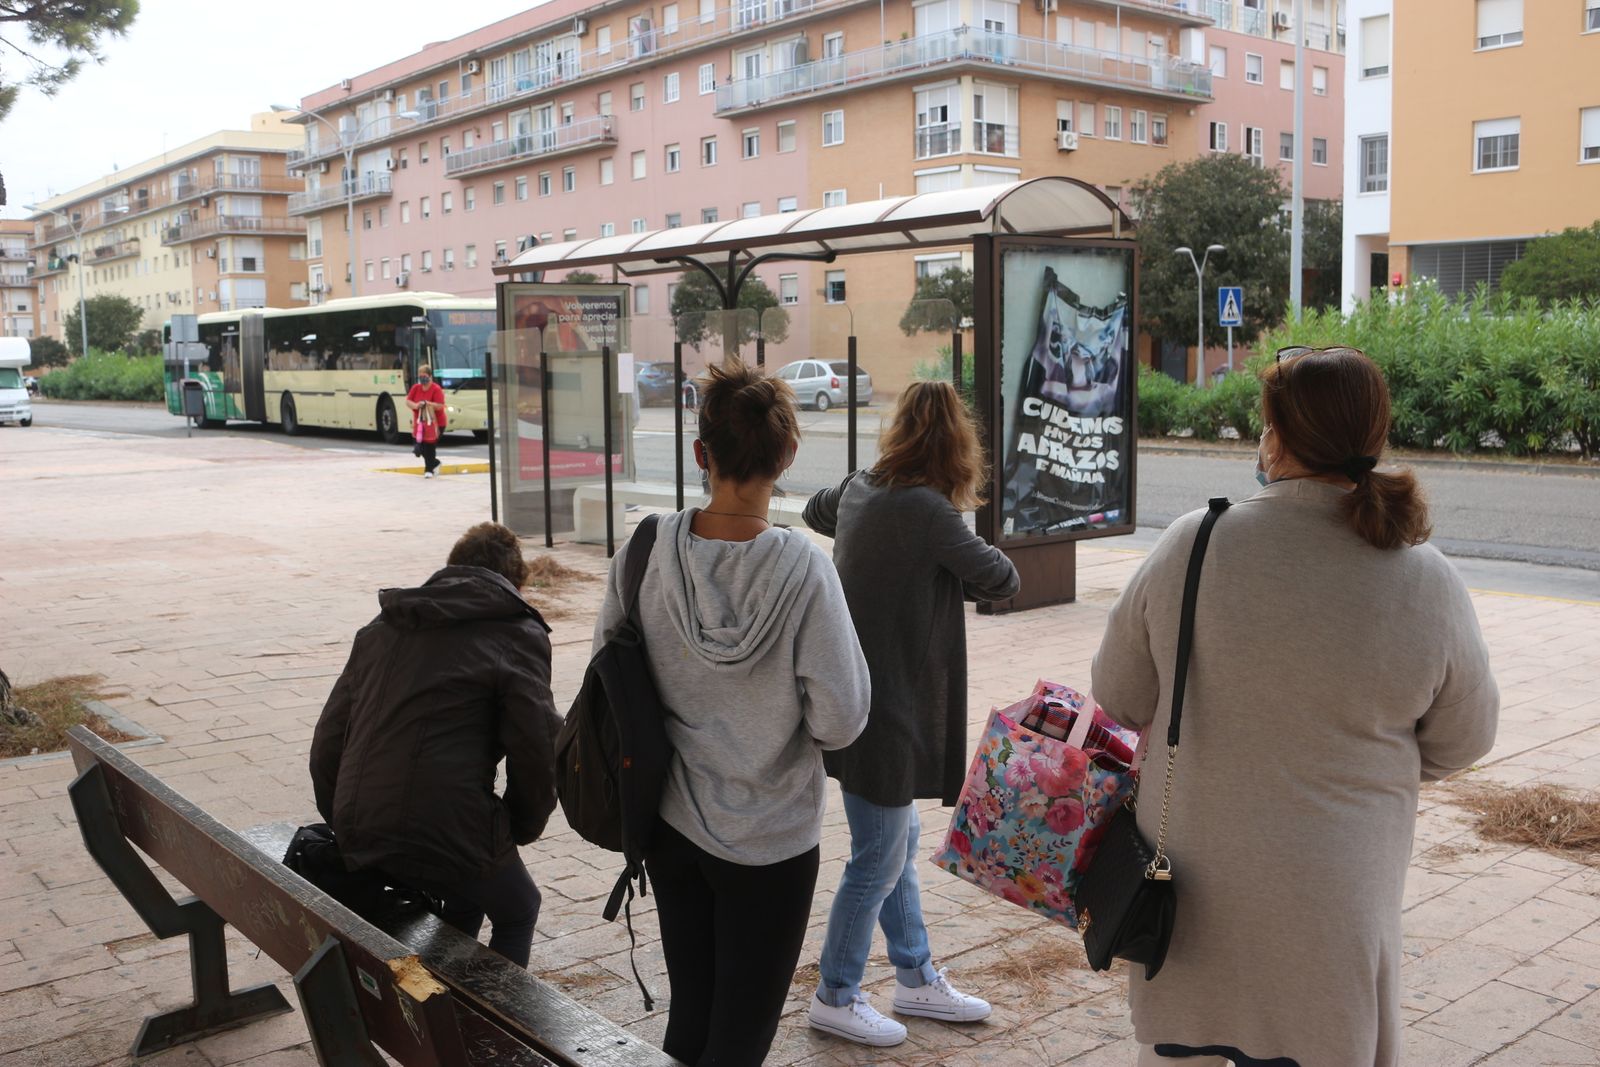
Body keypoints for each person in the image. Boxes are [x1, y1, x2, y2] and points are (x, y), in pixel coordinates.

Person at [1091, 347, 1500, 1067]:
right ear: (1371, 438)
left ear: (1275, 438)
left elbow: (1120, 693)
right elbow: (1465, 737)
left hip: (1190, 897)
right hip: (1338, 899)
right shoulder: (1424, 579)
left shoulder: (1195, 542)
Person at [592, 361, 870, 1067]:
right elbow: (842, 719)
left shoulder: (645, 551)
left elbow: (606, 676)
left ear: (700, 453)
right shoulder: (806, 572)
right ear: (786, 457)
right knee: (742, 1034)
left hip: (672, 824)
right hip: (771, 841)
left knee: (692, 1017)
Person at [802, 380, 1021, 1047]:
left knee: (893, 842)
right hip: (891, 709)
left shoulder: (860, 487)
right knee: (877, 852)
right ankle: (835, 993)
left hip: (851, 700)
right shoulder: (931, 513)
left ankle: (916, 974)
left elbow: (815, 509)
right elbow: (1003, 578)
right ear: (957, 445)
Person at [310, 522, 561, 968]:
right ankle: (495, 1030)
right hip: (447, 822)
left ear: (450, 569)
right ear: (516, 581)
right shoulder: (516, 633)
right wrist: (518, 828)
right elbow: (536, 746)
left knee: (466, 891)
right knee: (519, 908)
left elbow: (328, 741)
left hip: (361, 817)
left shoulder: (382, 627)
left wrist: (348, 815)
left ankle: (446, 1003)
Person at [407, 364, 447, 477]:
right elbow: (408, 401)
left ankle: (428, 470)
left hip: (436, 423)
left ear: (430, 376)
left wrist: (427, 403)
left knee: (429, 446)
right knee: (419, 447)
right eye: (420, 376)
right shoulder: (416, 388)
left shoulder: (436, 389)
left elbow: (440, 405)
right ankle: (435, 463)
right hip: (420, 424)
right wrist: (416, 405)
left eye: (424, 375)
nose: (422, 378)